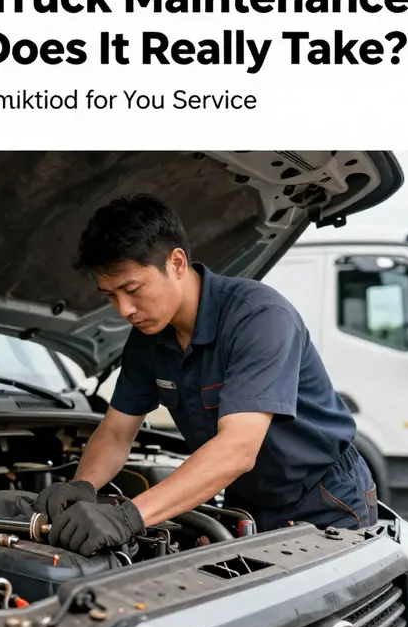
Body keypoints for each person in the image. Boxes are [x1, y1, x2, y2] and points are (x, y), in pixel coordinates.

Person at [34, 193, 378, 557]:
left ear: (177, 263)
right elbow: (117, 431)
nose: (124, 310)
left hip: (323, 497)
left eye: (132, 289)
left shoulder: (258, 317)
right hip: (247, 498)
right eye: (110, 295)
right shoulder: (147, 340)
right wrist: (83, 486)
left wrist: (128, 517)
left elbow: (238, 449)